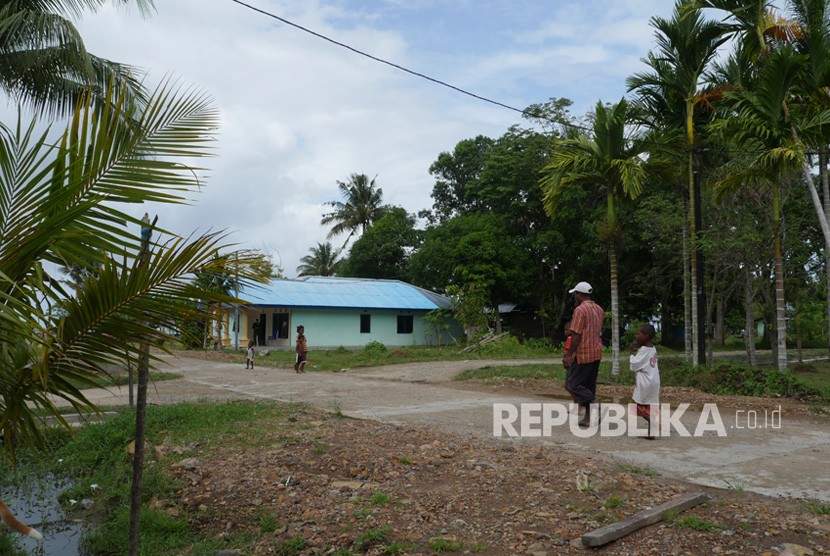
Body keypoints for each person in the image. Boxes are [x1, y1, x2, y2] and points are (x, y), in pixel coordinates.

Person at [562, 281, 604, 428]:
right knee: (589, 385)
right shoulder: (599, 309)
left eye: (575, 294)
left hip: (583, 354)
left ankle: (594, 403)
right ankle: (587, 417)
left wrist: (569, 355)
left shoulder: (580, 310)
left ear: (580, 294)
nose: (574, 297)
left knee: (573, 384)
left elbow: (576, 335)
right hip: (596, 352)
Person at [629, 324, 660, 440]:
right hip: (653, 381)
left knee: (635, 405)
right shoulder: (652, 348)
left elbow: (634, 365)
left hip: (645, 382)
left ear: (645, 336)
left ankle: (654, 424)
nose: (636, 335)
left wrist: (631, 352)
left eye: (638, 333)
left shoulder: (643, 350)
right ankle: (651, 433)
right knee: (648, 406)